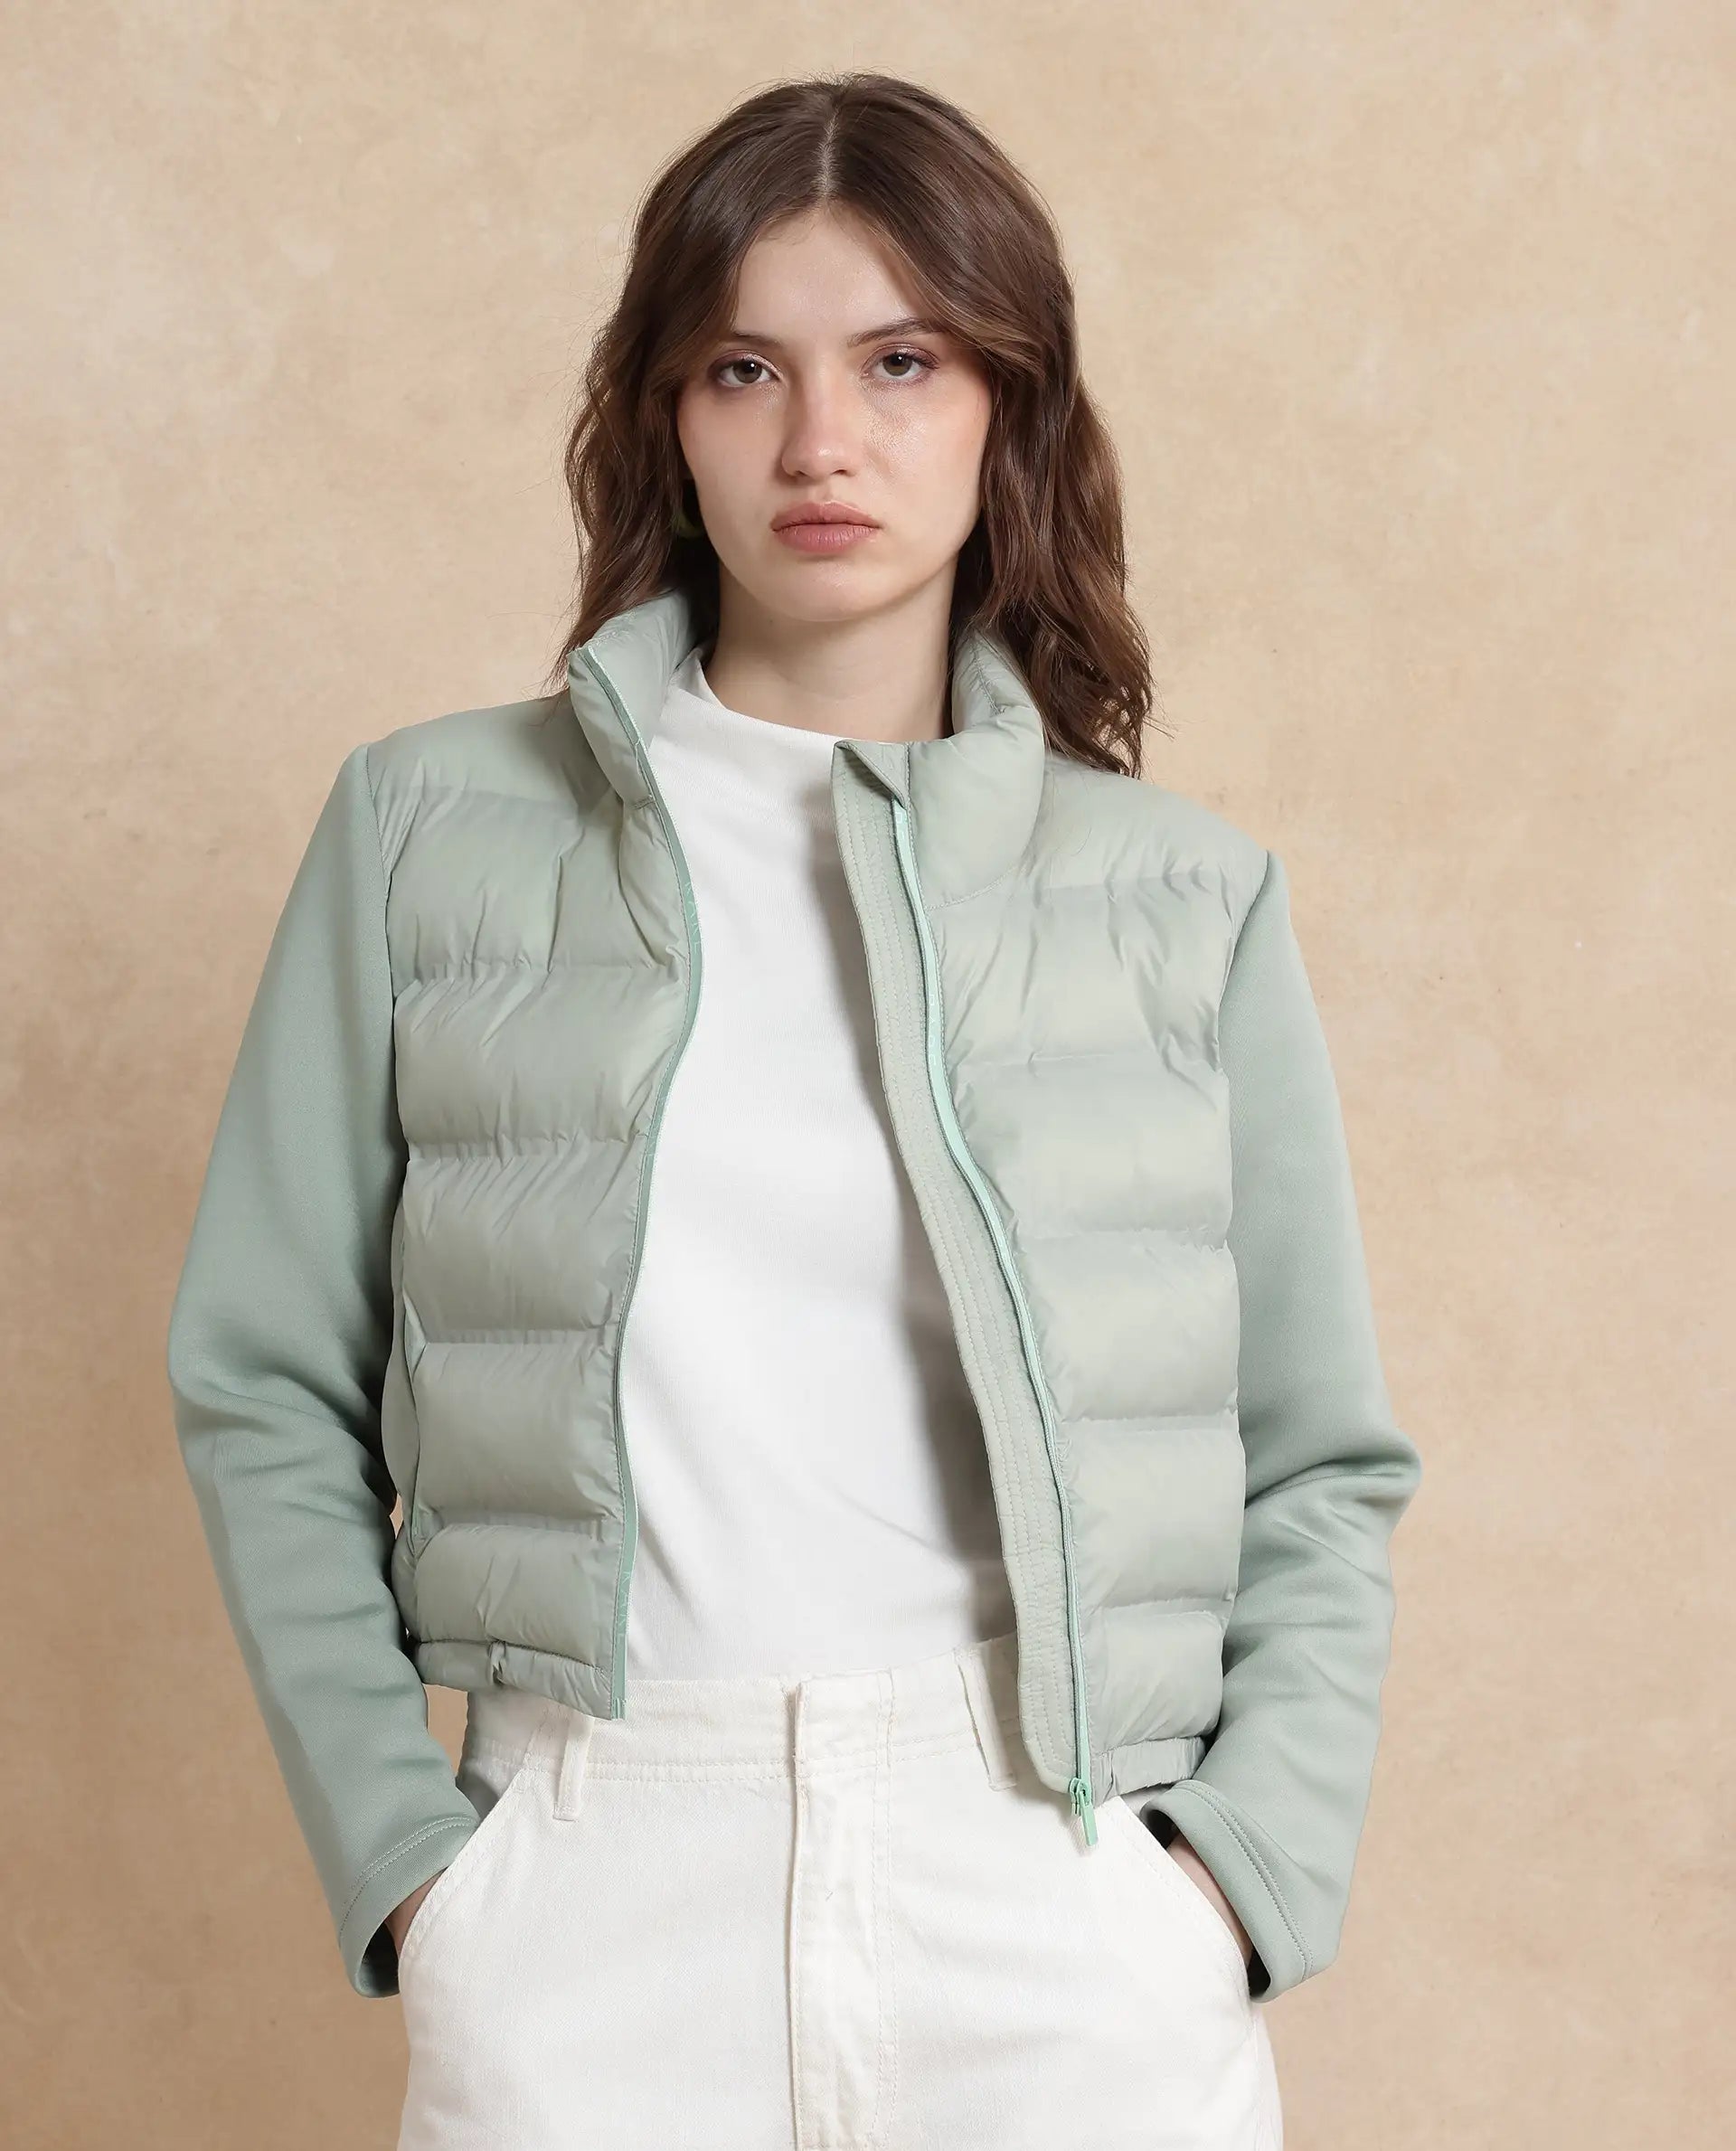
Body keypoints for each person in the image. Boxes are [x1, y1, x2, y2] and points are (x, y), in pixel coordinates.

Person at [165, 71, 1421, 2151]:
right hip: (591, 1873)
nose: (821, 440)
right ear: (668, 412)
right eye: (746, 367)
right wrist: (417, 1866)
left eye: (901, 362)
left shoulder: (1181, 899)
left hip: (1054, 1884)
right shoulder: (425, 835)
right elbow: (260, 1375)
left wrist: (1224, 1887)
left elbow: (1318, 1450)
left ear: (1008, 405)